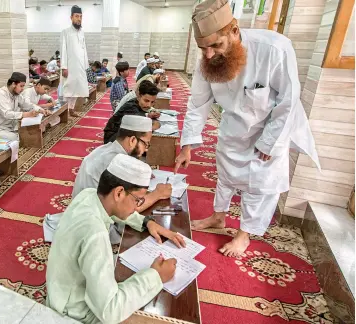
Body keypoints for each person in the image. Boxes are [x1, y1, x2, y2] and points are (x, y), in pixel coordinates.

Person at [174, 0, 320, 257]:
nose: (209, 55)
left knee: (259, 184)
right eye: (203, 48)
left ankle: (244, 235)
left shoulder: (274, 49)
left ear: (234, 30)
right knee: (226, 174)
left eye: (216, 45)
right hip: (233, 124)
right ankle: (219, 217)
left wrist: (270, 142)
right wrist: (186, 146)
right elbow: (197, 104)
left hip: (270, 127)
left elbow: (288, 101)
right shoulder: (207, 61)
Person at [46, 154, 179, 324]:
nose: (137, 207)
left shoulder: (89, 195)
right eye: (137, 200)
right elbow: (110, 311)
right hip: (73, 312)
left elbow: (119, 212)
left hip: (60, 291)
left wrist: (146, 222)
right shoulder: (94, 233)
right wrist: (156, 277)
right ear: (119, 193)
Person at [0, 72, 51, 141]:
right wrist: (26, 114)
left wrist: (41, 110)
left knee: (32, 130)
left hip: (7, 126)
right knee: (18, 138)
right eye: (21, 86)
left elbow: (27, 104)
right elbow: (6, 114)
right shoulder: (1, 94)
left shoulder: (16, 95)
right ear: (13, 84)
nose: (23, 88)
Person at [60, 5, 89, 117]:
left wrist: (86, 66)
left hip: (80, 66)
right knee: (68, 88)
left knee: (77, 88)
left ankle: (71, 109)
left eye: (81, 16)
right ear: (71, 17)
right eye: (77, 16)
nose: (79, 19)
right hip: (70, 66)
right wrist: (64, 67)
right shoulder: (65, 32)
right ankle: (64, 110)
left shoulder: (82, 32)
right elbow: (63, 50)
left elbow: (84, 49)